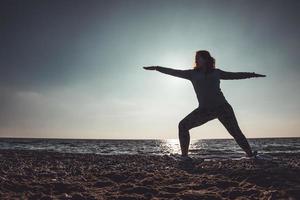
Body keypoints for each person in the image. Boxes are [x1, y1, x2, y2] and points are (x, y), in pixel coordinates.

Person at [143, 50, 266, 159]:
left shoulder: (216, 72)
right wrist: (156, 68)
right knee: (183, 125)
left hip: (222, 108)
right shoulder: (192, 74)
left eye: (199, 57)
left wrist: (252, 74)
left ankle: (250, 155)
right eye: (196, 58)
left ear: (206, 59)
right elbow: (174, 72)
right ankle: (185, 157)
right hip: (205, 110)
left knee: (236, 132)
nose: (196, 59)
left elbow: (235, 75)